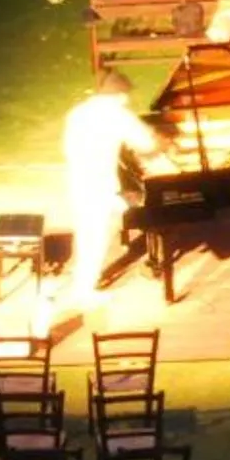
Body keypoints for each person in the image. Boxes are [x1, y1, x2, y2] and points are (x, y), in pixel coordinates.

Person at [60, 70, 163, 305]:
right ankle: (83, 292)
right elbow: (146, 144)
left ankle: (82, 282)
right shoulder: (118, 115)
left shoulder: (78, 112)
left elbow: (67, 148)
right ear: (120, 95)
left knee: (86, 233)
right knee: (97, 235)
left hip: (76, 180)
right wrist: (162, 141)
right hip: (101, 185)